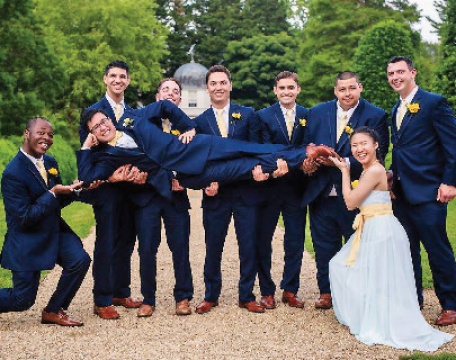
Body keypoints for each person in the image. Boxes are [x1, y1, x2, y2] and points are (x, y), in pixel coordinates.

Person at [328, 126, 453, 351]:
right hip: (373, 228)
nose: (359, 149)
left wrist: (345, 172)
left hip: (381, 230)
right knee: (348, 268)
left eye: (364, 143)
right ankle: (373, 313)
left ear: (376, 145)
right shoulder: (370, 171)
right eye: (354, 145)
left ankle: (384, 319)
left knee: (360, 270)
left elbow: (350, 202)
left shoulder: (374, 171)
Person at [301, 71, 389, 310]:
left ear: (360, 87)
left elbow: (377, 155)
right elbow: (306, 146)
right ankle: (327, 292)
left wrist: (341, 163)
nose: (347, 93)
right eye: (342, 89)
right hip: (320, 192)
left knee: (356, 246)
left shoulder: (376, 115)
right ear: (335, 91)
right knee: (323, 245)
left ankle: (355, 293)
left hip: (356, 195)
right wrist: (307, 164)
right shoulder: (317, 112)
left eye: (352, 88)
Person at [0, 117, 91, 326]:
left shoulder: (49, 162)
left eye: (50, 135)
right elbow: (24, 218)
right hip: (27, 239)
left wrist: (75, 189)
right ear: (26, 134)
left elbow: (56, 202)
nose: (46, 138)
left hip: (53, 230)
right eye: (41, 133)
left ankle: (53, 310)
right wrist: (51, 193)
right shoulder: (12, 173)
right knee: (21, 300)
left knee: (79, 260)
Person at [386, 56, 456, 325]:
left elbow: (452, 146)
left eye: (400, 71)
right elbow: (403, 150)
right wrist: (391, 177)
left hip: (429, 192)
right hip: (402, 194)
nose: (395, 77)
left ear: (413, 72)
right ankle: (413, 299)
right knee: (407, 251)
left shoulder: (434, 103)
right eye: (391, 73)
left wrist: (450, 182)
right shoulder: (396, 109)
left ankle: (450, 304)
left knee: (437, 249)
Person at [193, 65, 266, 313]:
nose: (218, 87)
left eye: (223, 82)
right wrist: (205, 184)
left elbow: (256, 150)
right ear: (207, 88)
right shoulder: (200, 122)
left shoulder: (247, 115)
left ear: (230, 85)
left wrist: (258, 171)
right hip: (216, 195)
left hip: (246, 192)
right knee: (213, 246)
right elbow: (198, 161)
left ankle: (246, 295)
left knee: (248, 246)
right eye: (213, 83)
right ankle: (211, 295)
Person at [82, 60, 142, 319]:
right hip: (106, 188)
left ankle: (120, 290)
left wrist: (138, 172)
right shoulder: (92, 112)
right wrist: (109, 177)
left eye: (123, 76)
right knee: (106, 241)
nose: (118, 80)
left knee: (127, 239)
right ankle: (102, 298)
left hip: (132, 188)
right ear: (105, 79)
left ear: (128, 81)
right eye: (113, 76)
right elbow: (88, 155)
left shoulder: (135, 112)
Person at [132, 78, 194, 317]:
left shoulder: (188, 127)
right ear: (158, 96)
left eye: (175, 91)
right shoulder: (143, 123)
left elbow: (196, 161)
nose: (171, 94)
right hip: (147, 196)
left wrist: (184, 179)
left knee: (180, 248)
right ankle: (148, 298)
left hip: (176, 197)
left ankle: (183, 297)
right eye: (166, 90)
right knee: (147, 248)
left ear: (179, 99)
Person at [254, 71, 308, 309]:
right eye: (282, 88)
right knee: (263, 240)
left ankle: (290, 288)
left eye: (291, 87)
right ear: (275, 91)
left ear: (298, 90)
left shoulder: (308, 115)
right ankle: (266, 290)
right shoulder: (263, 116)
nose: (286, 92)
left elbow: (309, 146)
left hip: (297, 187)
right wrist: (276, 166)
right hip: (270, 187)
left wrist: (299, 162)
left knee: (295, 240)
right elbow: (263, 148)